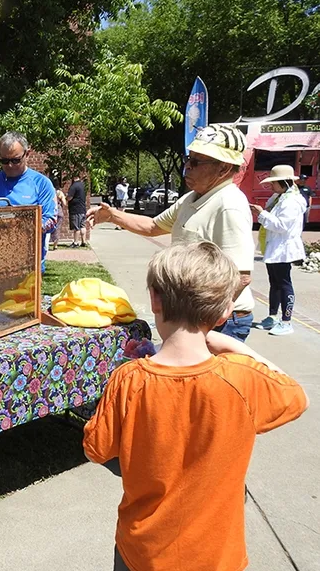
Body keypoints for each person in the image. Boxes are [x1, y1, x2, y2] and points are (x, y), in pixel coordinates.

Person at [83, 241, 308, 571]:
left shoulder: (129, 380)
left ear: (155, 298)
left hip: (143, 552)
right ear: (224, 313)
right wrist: (233, 346)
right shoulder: (242, 380)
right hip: (216, 555)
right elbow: (295, 394)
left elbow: (96, 449)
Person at [87, 124, 256, 341]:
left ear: (223, 169)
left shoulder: (229, 204)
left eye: (196, 162)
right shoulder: (192, 198)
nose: (188, 167)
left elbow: (241, 276)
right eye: (188, 159)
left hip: (217, 322)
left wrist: (209, 321)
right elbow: (152, 227)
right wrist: (113, 216)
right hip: (194, 317)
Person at [0, 131, 56, 270]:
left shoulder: (42, 183)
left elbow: (50, 220)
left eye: (15, 160)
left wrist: (19, 228)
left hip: (29, 265)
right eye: (5, 161)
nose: (10, 165)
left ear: (27, 154)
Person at [250, 165, 307, 336]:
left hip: (284, 248)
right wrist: (263, 212)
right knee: (274, 283)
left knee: (284, 284)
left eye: (274, 183)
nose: (271, 186)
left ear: (283, 183)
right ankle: (272, 316)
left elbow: (281, 225)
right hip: (274, 247)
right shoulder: (279, 198)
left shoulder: (292, 201)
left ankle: (286, 321)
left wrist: (262, 214)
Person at [67, 173, 87, 247]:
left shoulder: (74, 186)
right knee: (82, 226)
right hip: (83, 209)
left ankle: (75, 242)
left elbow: (69, 197)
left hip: (76, 209)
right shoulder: (82, 185)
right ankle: (83, 241)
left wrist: (66, 197)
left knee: (76, 227)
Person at [50, 177, 67, 250]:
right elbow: (64, 203)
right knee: (58, 228)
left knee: (49, 227)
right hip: (59, 211)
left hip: (51, 211)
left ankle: (47, 243)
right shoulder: (59, 192)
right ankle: (55, 245)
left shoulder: (49, 191)